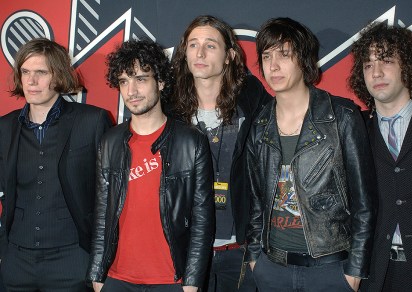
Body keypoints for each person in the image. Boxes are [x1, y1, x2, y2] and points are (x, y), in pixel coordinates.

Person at [244, 17, 377, 292]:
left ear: (303, 60)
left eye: (284, 54)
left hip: (330, 270)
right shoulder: (259, 125)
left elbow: (365, 203)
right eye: (267, 56)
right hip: (272, 269)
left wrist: (353, 272)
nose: (273, 65)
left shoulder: (341, 116)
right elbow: (256, 202)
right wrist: (255, 258)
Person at [86, 39, 215, 292]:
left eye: (141, 79)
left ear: (161, 82)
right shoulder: (110, 142)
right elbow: (102, 215)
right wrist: (97, 276)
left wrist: (191, 282)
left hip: (171, 281)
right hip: (116, 279)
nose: (131, 90)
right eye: (124, 81)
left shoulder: (191, 142)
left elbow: (202, 221)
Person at [0, 38, 112, 291]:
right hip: (16, 262)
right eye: (25, 72)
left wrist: (97, 262)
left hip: (72, 259)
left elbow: (110, 195)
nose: (31, 81)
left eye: (41, 73)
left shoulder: (92, 121)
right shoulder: (4, 128)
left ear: (59, 75)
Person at [171, 15, 272, 292]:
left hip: (241, 252)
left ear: (229, 56)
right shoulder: (169, 111)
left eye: (210, 45)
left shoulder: (252, 99)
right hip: (186, 251)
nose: (200, 53)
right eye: (193, 45)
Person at [348, 22, 412, 292]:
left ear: (407, 67)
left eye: (386, 60)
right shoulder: (354, 130)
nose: (376, 72)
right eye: (367, 64)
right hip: (373, 275)